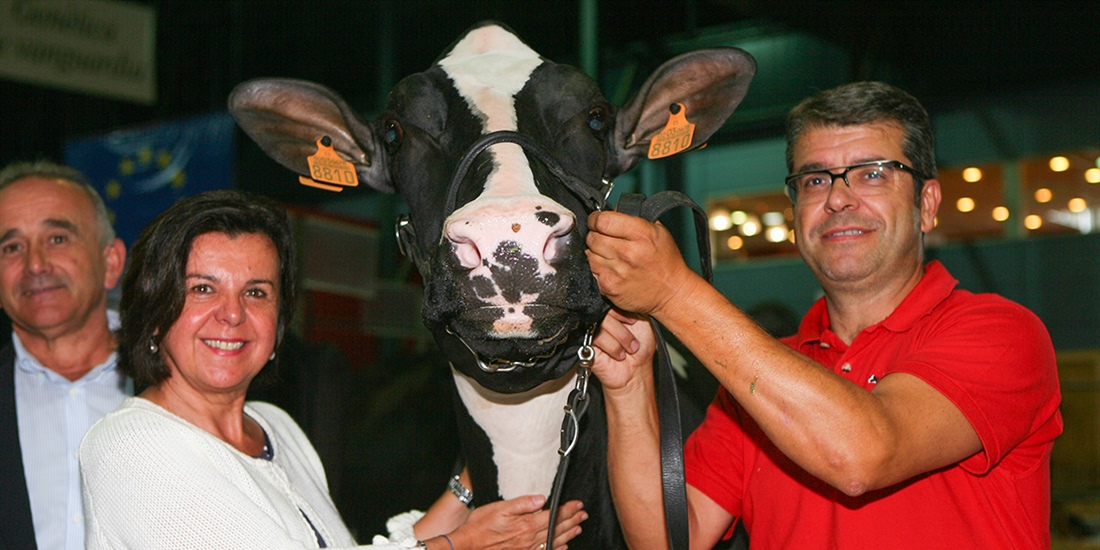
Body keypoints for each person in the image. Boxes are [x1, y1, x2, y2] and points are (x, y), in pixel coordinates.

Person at [585, 81, 1062, 548]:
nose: (838, 199)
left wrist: (673, 292)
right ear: (795, 210)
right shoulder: (760, 380)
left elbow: (862, 455)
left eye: (872, 173)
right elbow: (667, 540)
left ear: (927, 204)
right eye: (815, 180)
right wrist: (629, 388)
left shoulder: (1002, 333)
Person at [79, 189, 585, 549]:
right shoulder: (130, 444)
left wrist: (478, 472)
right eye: (202, 288)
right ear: (152, 312)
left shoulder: (277, 427)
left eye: (256, 291)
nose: (232, 314)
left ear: (280, 320)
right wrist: (461, 547)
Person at [0, 160, 130, 550]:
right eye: (11, 247)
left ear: (111, 263)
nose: (35, 264)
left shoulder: (183, 380)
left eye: (57, 238)